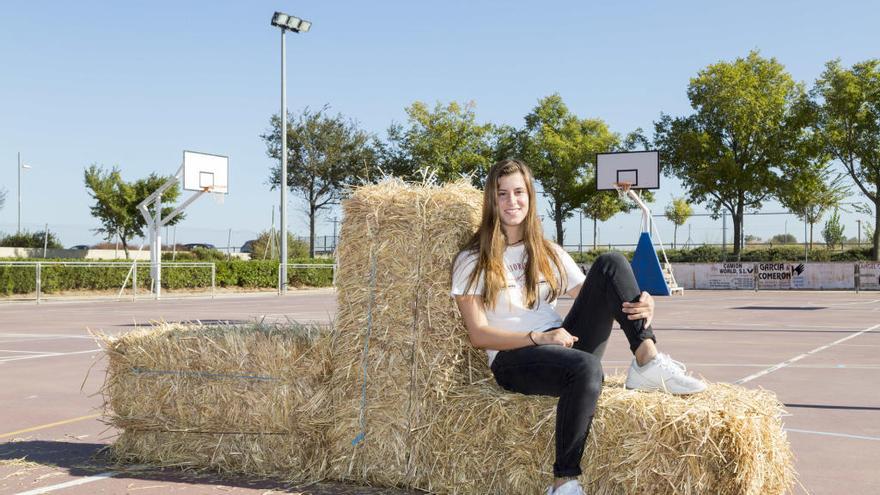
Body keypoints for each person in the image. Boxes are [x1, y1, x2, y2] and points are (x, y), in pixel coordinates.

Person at [450, 159, 705, 495]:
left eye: (519, 192)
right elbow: (479, 335)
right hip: (514, 357)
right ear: (491, 200)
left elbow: (600, 295)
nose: (512, 202)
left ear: (530, 197)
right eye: (502, 194)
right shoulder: (472, 260)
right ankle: (564, 481)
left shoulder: (548, 252)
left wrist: (646, 303)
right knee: (587, 367)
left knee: (611, 264)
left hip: (561, 347)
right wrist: (538, 337)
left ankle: (647, 359)